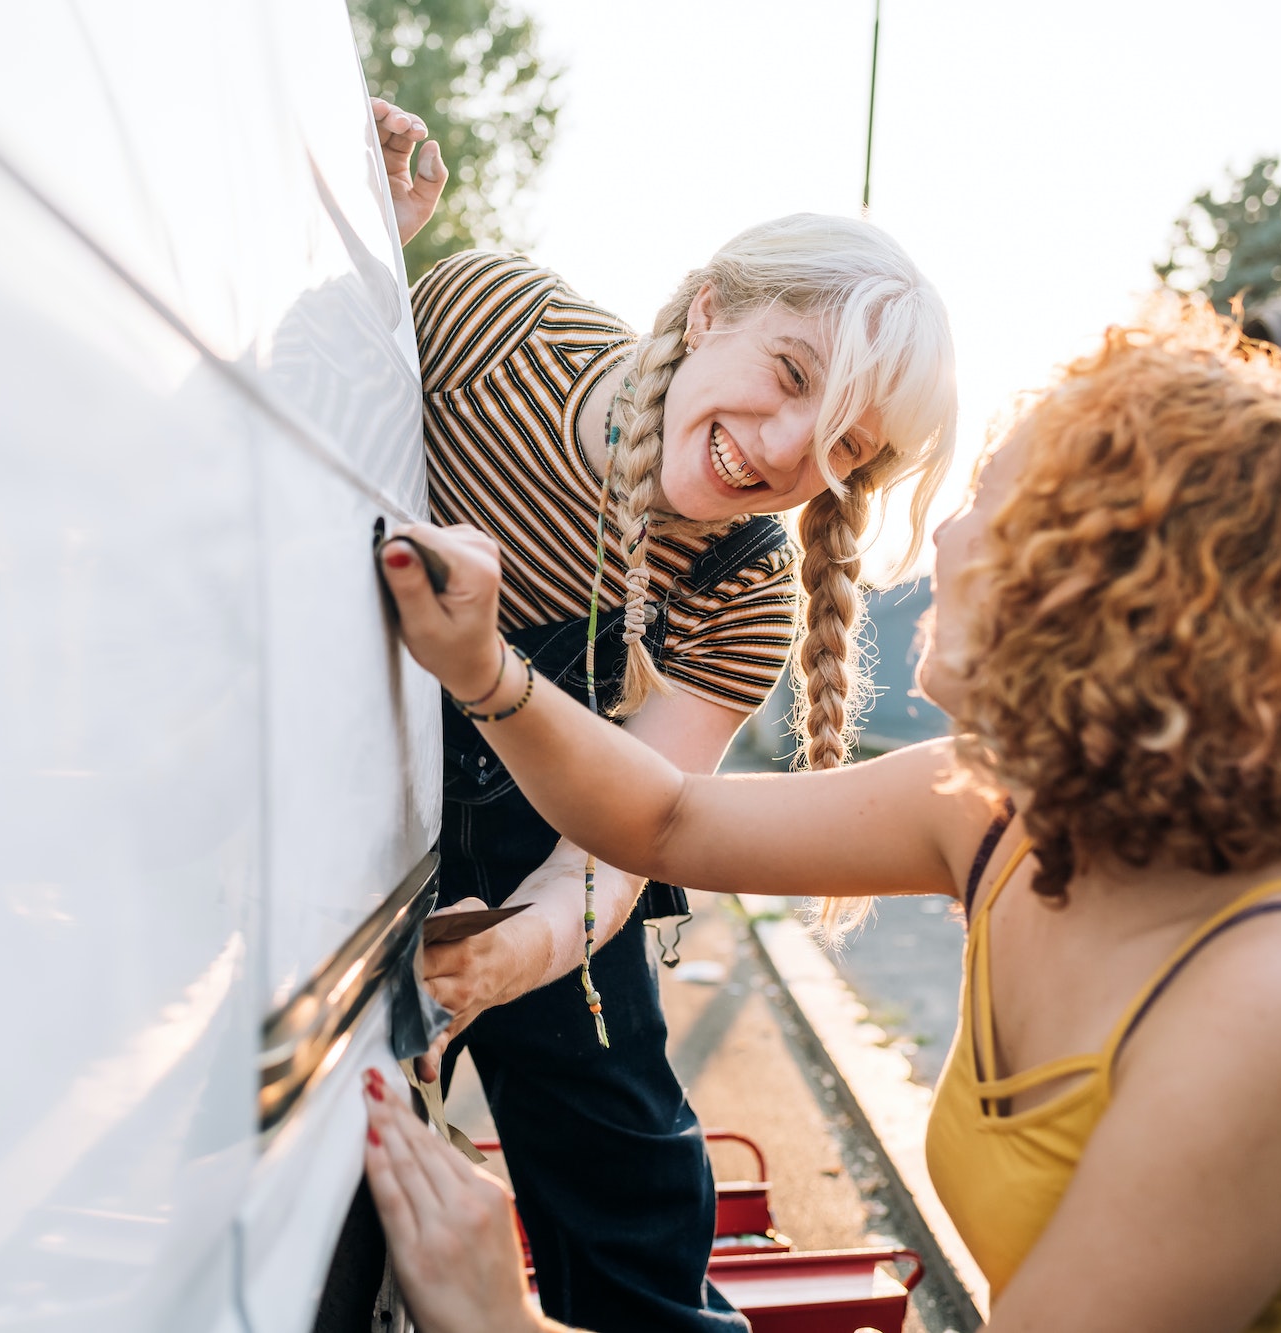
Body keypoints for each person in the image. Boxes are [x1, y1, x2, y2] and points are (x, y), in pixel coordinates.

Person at [371, 299, 1281, 1333]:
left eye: (992, 499)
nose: (943, 535)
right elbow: (661, 823)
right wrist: (483, 669)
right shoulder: (991, 803)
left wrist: (500, 1319)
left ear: (1115, 582)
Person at [370, 96, 957, 1333]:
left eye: (842, 449)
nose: (786, 449)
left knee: (635, 1191)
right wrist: (362, 252)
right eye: (787, 375)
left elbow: (623, 842)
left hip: (542, 877)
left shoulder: (744, 586)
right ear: (708, 313)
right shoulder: (487, 323)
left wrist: (506, 958)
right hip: (349, 795)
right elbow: (285, 405)